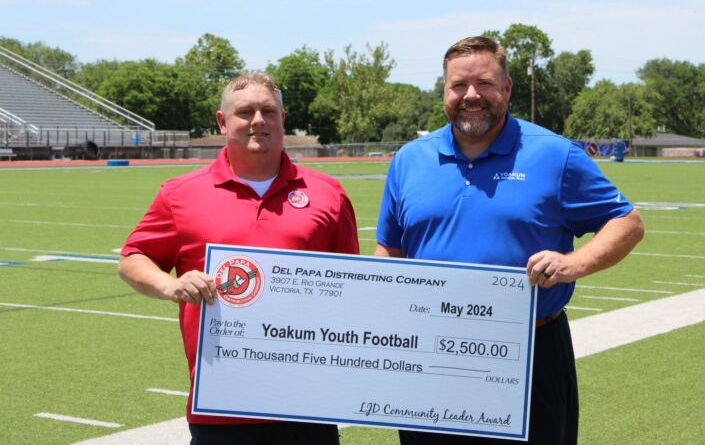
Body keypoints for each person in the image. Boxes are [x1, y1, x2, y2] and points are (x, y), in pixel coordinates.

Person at [375, 36, 644, 445]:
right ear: (444, 90)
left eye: (484, 83)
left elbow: (627, 222)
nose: (471, 96)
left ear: (507, 88)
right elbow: (389, 251)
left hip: (530, 352)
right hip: (429, 354)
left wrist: (575, 263)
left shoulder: (555, 155)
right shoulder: (409, 160)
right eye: (458, 86)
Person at [119, 72, 359, 445]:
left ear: (283, 117)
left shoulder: (328, 193)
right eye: (245, 112)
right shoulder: (180, 194)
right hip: (220, 406)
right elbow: (133, 258)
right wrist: (171, 285)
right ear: (222, 121)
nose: (258, 121)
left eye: (268, 111)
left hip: (307, 400)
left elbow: (352, 288)